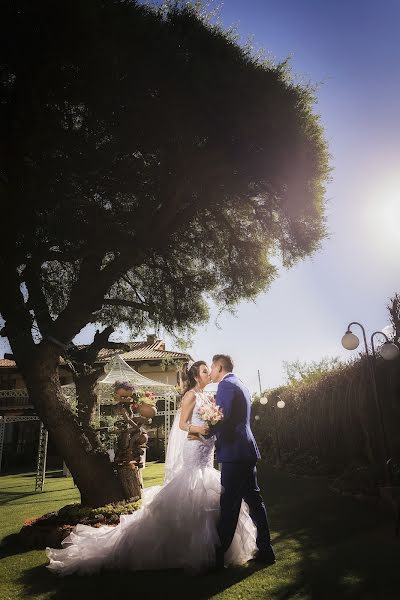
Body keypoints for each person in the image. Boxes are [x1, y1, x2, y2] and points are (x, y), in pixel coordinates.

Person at [46, 361, 258, 576]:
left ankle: (216, 550)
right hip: (195, 451)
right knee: (195, 494)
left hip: (205, 450)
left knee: (214, 498)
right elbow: (184, 425)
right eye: (205, 371)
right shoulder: (191, 396)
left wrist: (211, 429)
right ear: (196, 376)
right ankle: (194, 552)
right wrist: (203, 428)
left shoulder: (206, 397)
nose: (209, 373)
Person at [209, 354, 275, 569]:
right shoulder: (241, 385)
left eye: (212, 367)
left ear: (219, 367)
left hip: (234, 452)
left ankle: (218, 558)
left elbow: (222, 417)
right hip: (246, 450)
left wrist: (207, 433)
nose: (210, 372)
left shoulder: (226, 386)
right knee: (255, 501)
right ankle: (266, 551)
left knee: (229, 504)